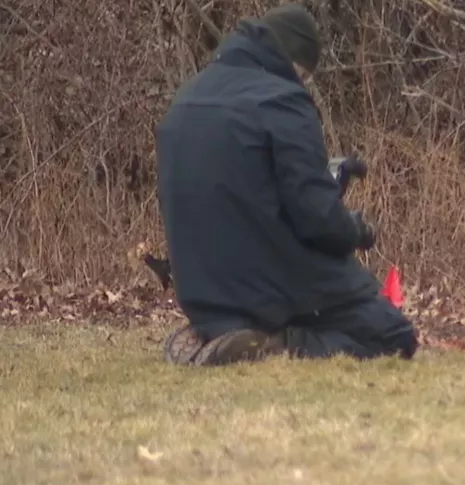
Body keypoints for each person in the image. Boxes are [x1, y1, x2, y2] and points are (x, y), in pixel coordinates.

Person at [154, 3, 418, 366]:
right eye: (304, 74)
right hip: (266, 288)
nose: (302, 83)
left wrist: (328, 183)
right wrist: (353, 230)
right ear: (292, 60)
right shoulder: (281, 100)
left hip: (201, 290)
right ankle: (272, 344)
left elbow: (246, 188)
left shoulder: (188, 98)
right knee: (391, 332)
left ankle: (215, 333)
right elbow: (316, 218)